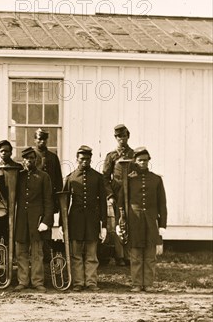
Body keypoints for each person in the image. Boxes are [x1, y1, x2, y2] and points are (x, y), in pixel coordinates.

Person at [117, 147, 167, 293]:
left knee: (150, 255)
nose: (143, 163)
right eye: (140, 160)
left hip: (151, 221)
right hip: (134, 220)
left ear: (148, 161)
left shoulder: (156, 179)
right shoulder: (129, 181)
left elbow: (162, 203)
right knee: (136, 254)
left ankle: (149, 284)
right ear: (135, 161)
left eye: (145, 160)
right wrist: (121, 221)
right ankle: (137, 284)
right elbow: (121, 202)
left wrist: (162, 224)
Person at [63, 145, 108, 292]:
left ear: (91, 159)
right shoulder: (70, 178)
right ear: (77, 159)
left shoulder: (98, 177)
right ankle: (78, 282)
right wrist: (62, 226)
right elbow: (64, 203)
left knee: (91, 254)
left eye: (87, 159)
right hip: (75, 221)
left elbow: (102, 202)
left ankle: (91, 282)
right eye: (82, 159)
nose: (85, 161)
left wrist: (104, 225)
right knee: (76, 254)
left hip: (92, 221)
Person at [13, 147, 54, 293]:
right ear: (22, 160)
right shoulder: (19, 176)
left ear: (36, 160)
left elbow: (49, 201)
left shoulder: (43, 177)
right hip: (22, 220)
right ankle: (22, 281)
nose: (28, 161)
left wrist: (46, 221)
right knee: (21, 252)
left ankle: (37, 281)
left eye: (31, 158)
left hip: (37, 220)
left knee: (37, 252)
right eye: (26, 158)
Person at [103, 124, 134, 266]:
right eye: (119, 136)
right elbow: (105, 177)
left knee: (131, 222)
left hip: (132, 194)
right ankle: (119, 256)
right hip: (117, 194)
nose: (122, 138)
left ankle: (129, 255)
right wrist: (110, 195)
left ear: (128, 136)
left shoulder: (134, 155)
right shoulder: (111, 156)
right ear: (116, 138)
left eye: (124, 135)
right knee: (118, 223)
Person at [32, 128, 63, 263]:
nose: (41, 141)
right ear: (35, 139)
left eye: (44, 139)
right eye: (39, 138)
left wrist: (56, 199)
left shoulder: (52, 157)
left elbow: (58, 179)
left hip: (49, 198)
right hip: (35, 198)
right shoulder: (31, 156)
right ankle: (34, 254)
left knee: (47, 224)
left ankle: (47, 253)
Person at [0, 140, 22, 241]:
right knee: (0, 233)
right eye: (1, 151)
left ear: (11, 152)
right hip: (1, 207)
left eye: (6, 151)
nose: (3, 153)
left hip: (16, 206)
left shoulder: (18, 167)